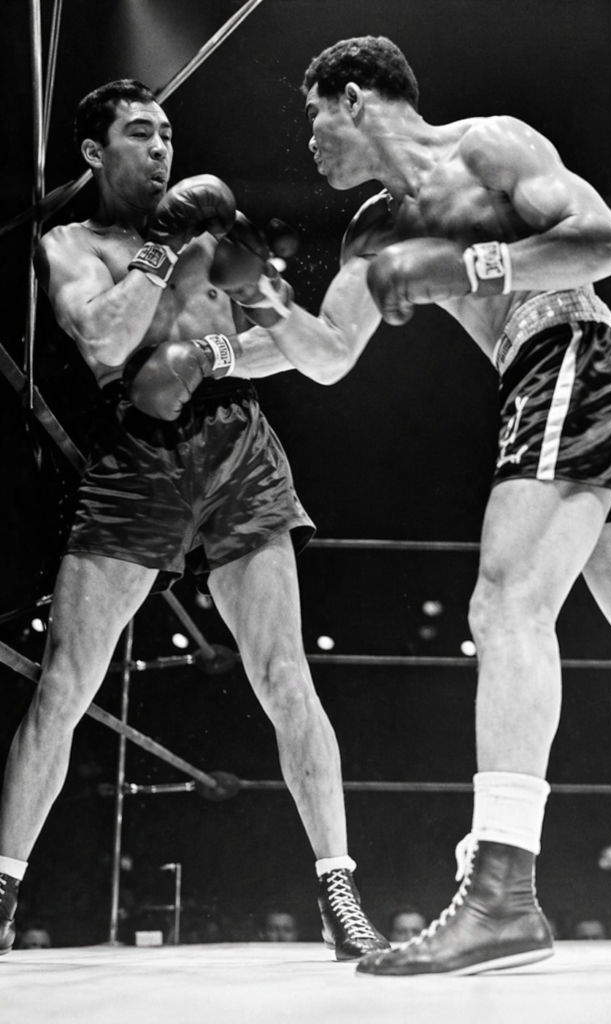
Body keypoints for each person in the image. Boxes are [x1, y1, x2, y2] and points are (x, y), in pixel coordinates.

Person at [289, 36, 611, 975]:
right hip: (552, 384)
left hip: (570, 351)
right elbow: (330, 350)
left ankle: (501, 890)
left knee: (505, 604)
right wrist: (228, 318)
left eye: (315, 115)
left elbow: (604, 244)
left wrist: (464, 270)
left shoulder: (487, 146)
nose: (309, 142)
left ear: (356, 96)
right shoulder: (372, 229)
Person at [0, 78, 389, 962]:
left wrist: (213, 344)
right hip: (135, 459)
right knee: (64, 684)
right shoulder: (71, 244)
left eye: (168, 132)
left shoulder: (212, 231)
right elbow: (102, 341)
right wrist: (163, 253)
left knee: (286, 674)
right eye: (141, 133)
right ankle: (2, 889)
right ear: (95, 153)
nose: (163, 148)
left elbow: (290, 344)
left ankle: (340, 890)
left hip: (238, 446)